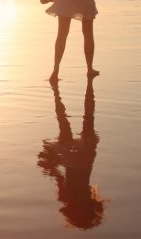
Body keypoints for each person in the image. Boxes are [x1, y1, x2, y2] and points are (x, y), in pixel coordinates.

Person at [37, 76, 105, 229]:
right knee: (63, 121)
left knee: (89, 118)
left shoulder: (88, 199)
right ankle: (57, 95)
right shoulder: (66, 197)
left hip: (86, 160)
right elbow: (58, 176)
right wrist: (50, 165)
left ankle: (87, 88)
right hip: (71, 161)